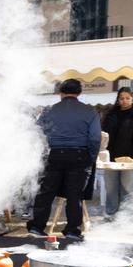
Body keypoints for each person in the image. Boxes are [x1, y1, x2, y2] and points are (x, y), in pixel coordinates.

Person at [27, 79, 101, 241]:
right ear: (79, 93)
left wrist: (42, 153)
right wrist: (92, 157)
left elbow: (37, 132)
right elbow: (95, 138)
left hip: (54, 155)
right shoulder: (89, 111)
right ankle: (72, 231)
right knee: (75, 195)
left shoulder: (50, 110)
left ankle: (37, 227)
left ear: (60, 93)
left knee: (46, 193)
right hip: (79, 155)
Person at [100, 87, 133, 218]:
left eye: (127, 98)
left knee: (128, 188)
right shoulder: (111, 113)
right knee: (111, 187)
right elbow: (103, 133)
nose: (124, 101)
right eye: (121, 98)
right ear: (118, 99)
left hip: (131, 158)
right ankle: (110, 214)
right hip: (111, 157)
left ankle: (125, 217)